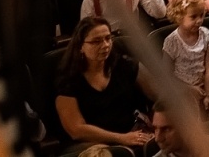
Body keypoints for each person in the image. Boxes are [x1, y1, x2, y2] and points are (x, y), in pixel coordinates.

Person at [56, 16, 155, 148]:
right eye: (96, 41)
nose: (105, 45)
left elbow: (158, 95)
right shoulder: (68, 80)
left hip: (131, 131)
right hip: (92, 143)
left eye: (108, 38)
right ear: (81, 46)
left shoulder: (125, 64)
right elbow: (76, 130)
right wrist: (121, 139)